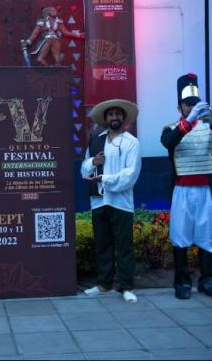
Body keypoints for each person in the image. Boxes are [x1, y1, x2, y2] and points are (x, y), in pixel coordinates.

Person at [161, 73, 212, 300]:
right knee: (180, 234)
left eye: (195, 103)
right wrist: (189, 120)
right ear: (179, 107)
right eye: (188, 104)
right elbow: (168, 142)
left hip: (205, 191)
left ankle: (207, 280)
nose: (192, 107)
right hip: (182, 190)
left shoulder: (210, 127)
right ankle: (182, 282)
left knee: (207, 235)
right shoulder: (171, 128)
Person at [81, 99, 142, 303]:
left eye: (118, 114)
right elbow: (84, 168)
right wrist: (93, 162)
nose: (114, 117)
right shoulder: (96, 140)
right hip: (99, 200)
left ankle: (126, 286)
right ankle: (104, 284)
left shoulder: (131, 142)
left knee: (124, 245)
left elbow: (130, 175)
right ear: (105, 119)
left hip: (121, 202)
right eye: (110, 114)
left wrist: (105, 179)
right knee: (102, 244)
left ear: (123, 118)